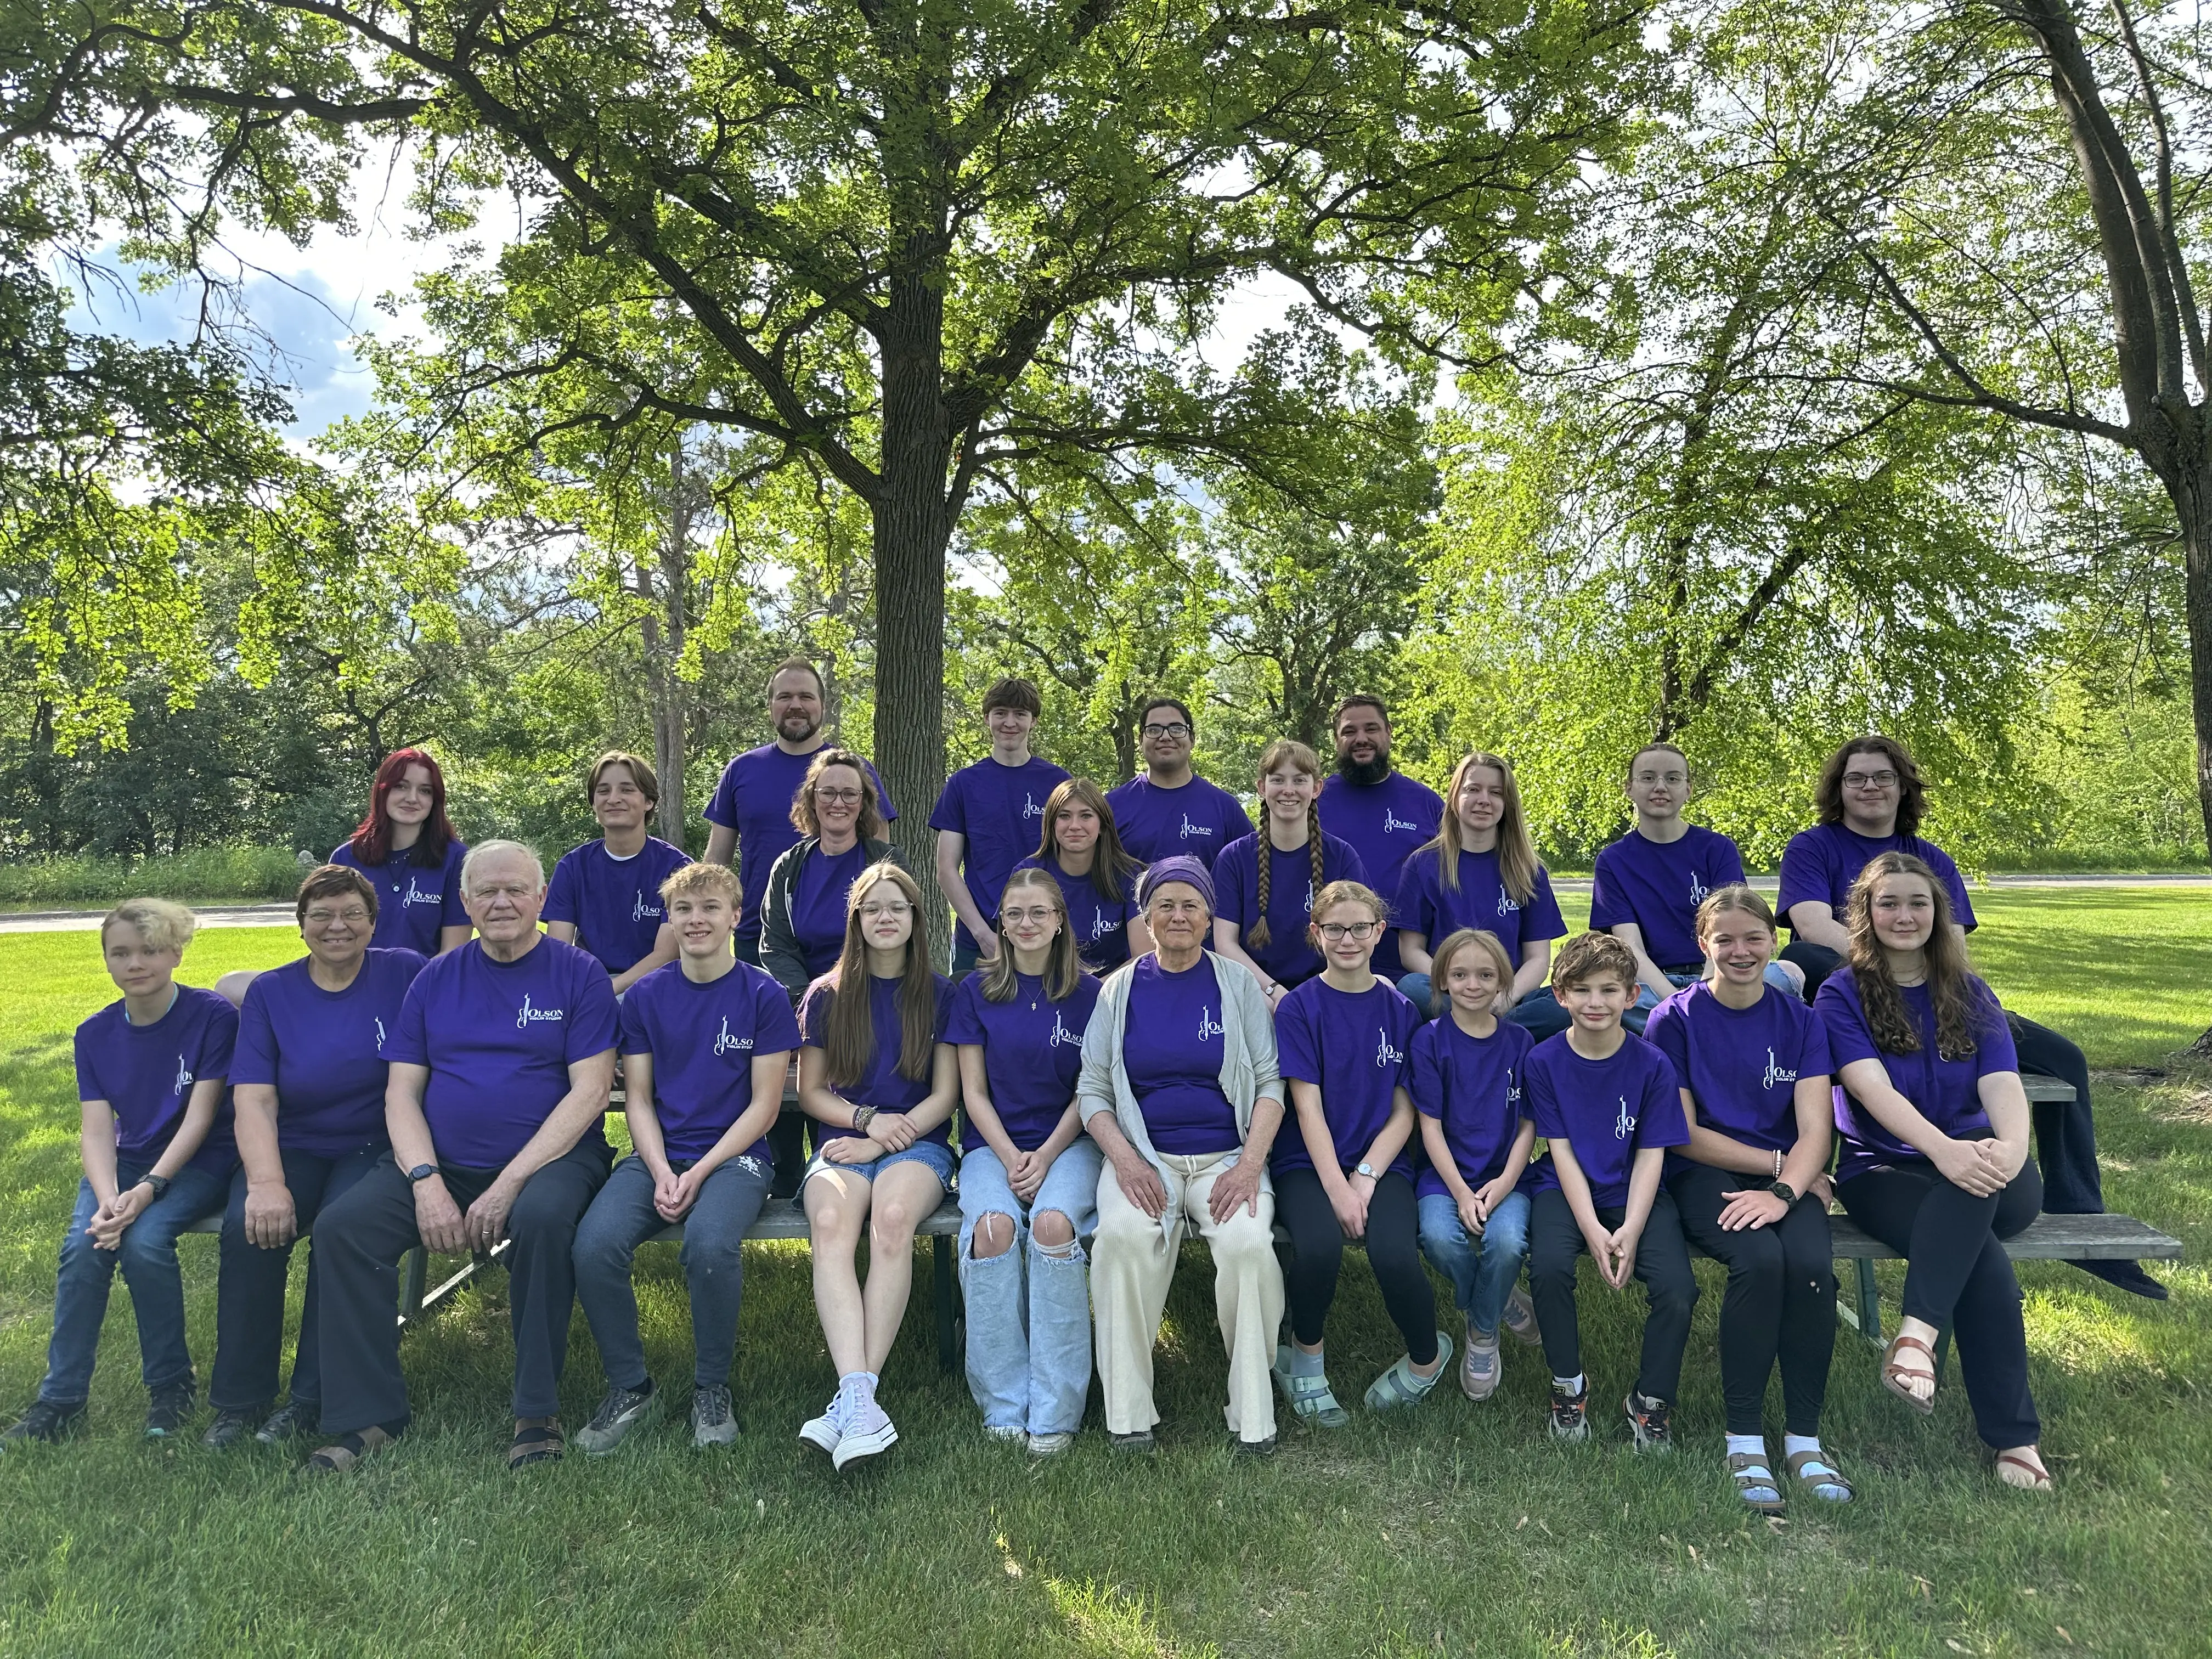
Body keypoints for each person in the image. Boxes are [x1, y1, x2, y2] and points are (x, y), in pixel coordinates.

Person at [1778, 734, 2160, 1300]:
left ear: (1903, 785)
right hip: (1854, 993)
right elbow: (1810, 925)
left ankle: (2080, 1209)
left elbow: (1951, 941)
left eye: (1882, 776)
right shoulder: (1814, 847)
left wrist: (1919, 972)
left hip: (1939, 994)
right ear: (1838, 789)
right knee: (1805, 958)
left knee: (2065, 1058)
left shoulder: (1932, 858)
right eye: (1855, 778)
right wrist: (1882, 964)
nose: (1870, 787)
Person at [306, 841, 619, 1473]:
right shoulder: (436, 978)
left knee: (543, 1220)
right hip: (440, 1162)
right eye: (486, 892)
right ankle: (366, 1414)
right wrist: (424, 1181)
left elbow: (590, 1093)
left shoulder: (578, 973)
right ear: (467, 902)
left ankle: (536, 1407)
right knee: (343, 1229)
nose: (501, 902)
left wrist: (509, 1183)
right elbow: (401, 1094)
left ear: (540, 900)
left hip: (553, 1162)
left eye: (515, 890)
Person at [1815, 853, 2054, 1491]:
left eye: (1917, 903)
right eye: (1887, 903)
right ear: (1866, 914)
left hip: (1987, 1169)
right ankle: (2015, 1440)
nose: (1904, 915)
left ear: (1938, 912)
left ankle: (1916, 1333)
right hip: (1884, 1171)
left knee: (1973, 1200)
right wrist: (1944, 1150)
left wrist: (2011, 1146)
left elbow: (2003, 1077)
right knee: (1987, 1270)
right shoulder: (1842, 992)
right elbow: (1869, 1089)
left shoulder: (1969, 990)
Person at [572, 862, 798, 1454]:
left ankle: (710, 1388)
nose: (696, 920)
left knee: (709, 1243)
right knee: (594, 1244)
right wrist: (665, 1168)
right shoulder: (646, 997)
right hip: (658, 1154)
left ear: (734, 917)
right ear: (669, 921)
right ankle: (630, 1387)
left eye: (709, 909)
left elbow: (765, 1108)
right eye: (684, 911)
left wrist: (697, 1172)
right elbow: (638, 1099)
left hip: (737, 1157)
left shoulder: (764, 994)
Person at [205, 867, 427, 1449]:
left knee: (340, 1231)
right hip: (294, 1145)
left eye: (353, 913)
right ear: (300, 925)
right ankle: (240, 1400)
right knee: (247, 1229)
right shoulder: (272, 993)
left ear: (373, 923)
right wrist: (267, 1183)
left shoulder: (405, 972)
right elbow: (253, 1098)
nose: (338, 926)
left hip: (378, 1145)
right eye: (322, 915)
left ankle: (309, 1399)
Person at [1646, 887, 1852, 1513]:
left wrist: (1786, 1191)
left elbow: (1818, 1126)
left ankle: (1803, 1439)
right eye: (1725, 940)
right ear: (1703, 945)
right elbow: (1682, 1134)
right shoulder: (1674, 1019)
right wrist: (1775, 1169)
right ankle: (1743, 1439)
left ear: (1772, 941)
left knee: (1813, 1268)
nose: (1740, 951)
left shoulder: (1801, 1020)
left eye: (1753, 938)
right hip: (1707, 1171)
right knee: (1760, 1263)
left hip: (1792, 1177)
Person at [2, 900, 236, 1447]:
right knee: (85, 1249)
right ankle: (60, 1400)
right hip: (125, 1165)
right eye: (121, 953)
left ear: (176, 953)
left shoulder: (213, 1017)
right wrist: (109, 1198)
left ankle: (172, 1387)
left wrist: (149, 1190)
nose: (136, 963)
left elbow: (201, 1118)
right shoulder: (94, 1034)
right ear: (106, 961)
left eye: (151, 950)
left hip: (196, 1161)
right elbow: (97, 1130)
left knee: (146, 1243)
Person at [1080, 856, 1288, 1456]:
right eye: (1164, 905)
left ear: (1208, 916)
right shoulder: (1117, 990)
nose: (1177, 915)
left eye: (1190, 905)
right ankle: (1129, 1413)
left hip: (1227, 1158)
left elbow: (1271, 1082)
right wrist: (1125, 1161)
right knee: (1119, 1237)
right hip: (1144, 1157)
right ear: (1145, 919)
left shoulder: (1237, 983)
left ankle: (1252, 1412)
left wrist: (1249, 1166)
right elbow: (1092, 1091)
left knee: (1249, 1245)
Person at [795, 862, 958, 1470]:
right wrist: (865, 1125)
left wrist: (886, 1139)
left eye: (898, 908)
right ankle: (859, 1396)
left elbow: (945, 1095)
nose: (885, 918)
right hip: (843, 1140)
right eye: (872, 909)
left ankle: (855, 1398)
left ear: (918, 919)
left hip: (920, 1143)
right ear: (856, 922)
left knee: (892, 1219)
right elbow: (812, 1092)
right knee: (834, 1224)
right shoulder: (827, 994)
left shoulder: (943, 995)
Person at [1270, 882, 1447, 1425]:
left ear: (1378, 933)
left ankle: (1426, 1358)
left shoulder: (1400, 1008)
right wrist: (1338, 1187)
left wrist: (1366, 1178)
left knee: (1395, 1253)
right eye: (1335, 929)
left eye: (1360, 928)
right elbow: (1308, 1110)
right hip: (1308, 1162)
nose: (1348, 939)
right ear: (1316, 934)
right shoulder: (1299, 1007)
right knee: (1319, 1248)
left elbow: (1404, 1111)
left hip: (1382, 1161)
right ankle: (1303, 1359)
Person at [946, 867, 1103, 1455]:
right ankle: (1005, 1404)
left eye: (1040, 912)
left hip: (1073, 1140)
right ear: (1001, 925)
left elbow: (1091, 1091)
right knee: (992, 1230)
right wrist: (1014, 1156)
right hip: (994, 1145)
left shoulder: (1091, 994)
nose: (1027, 923)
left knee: (1052, 1227)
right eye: (1015, 914)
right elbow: (974, 1094)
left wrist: (1047, 1155)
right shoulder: (975, 991)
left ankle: (1058, 1406)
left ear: (1060, 921)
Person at [1523, 932, 1697, 1449]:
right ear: (1560, 996)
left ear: (1632, 996)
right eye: (1581, 990)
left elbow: (1651, 1154)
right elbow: (1560, 1151)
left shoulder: (1653, 1065)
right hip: (1564, 1187)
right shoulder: (1544, 1061)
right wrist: (1594, 1231)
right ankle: (1569, 1388)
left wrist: (1632, 1228)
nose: (1595, 1002)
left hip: (1635, 1190)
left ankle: (1650, 1402)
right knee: (1550, 1268)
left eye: (1608, 990)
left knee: (1678, 1288)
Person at [1410, 928, 1543, 1403]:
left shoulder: (1521, 1041)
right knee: (1441, 1241)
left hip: (1508, 1177)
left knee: (1507, 1244)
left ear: (1503, 981)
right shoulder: (1429, 1041)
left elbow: (1529, 1125)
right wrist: (1463, 1194)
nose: (1473, 984)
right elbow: (1429, 1128)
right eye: (1460, 974)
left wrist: (1505, 1182)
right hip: (1444, 1178)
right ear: (1442, 980)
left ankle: (1482, 1333)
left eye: (1486, 975)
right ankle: (1500, 1300)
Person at [701, 657, 895, 966]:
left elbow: (880, 862)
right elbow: (717, 863)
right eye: (785, 697)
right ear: (770, 705)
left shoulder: (853, 772)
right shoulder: (741, 770)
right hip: (758, 936)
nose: (796, 705)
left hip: (846, 940)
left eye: (806, 697)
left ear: (822, 705)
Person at [1589, 742, 1798, 1029]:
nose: (1660, 787)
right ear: (1629, 787)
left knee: (1786, 975)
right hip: (1652, 984)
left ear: (1688, 789)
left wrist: (1705, 997)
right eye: (1648, 777)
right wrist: (1678, 1004)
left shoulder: (1717, 849)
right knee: (1607, 1002)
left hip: (1721, 973)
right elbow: (1631, 946)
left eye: (1673, 778)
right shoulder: (1613, 861)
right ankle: (1709, 1026)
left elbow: (1728, 930)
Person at [1393, 751, 1570, 1040]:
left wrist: (1504, 999)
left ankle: (1480, 1032)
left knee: (1565, 1002)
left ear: (1507, 804)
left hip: (1507, 999)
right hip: (1448, 993)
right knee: (1412, 987)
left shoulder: (1528, 869)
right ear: (1454, 798)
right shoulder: (1423, 864)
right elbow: (1410, 952)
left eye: (1496, 792)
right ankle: (1499, 1036)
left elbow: (1538, 959)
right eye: (1473, 789)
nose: (1484, 800)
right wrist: (1458, 988)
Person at [932, 676, 1072, 976]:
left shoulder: (1058, 782)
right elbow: (946, 870)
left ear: (1033, 721)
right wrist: (984, 935)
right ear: (987, 718)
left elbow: (1073, 860)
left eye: (1020, 714)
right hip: (979, 940)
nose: (1010, 723)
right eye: (1001, 713)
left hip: (1046, 935)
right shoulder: (963, 785)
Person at [1213, 740, 1367, 1008]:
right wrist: (1274, 992)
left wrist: (1316, 996)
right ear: (1262, 788)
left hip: (1327, 990)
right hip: (1257, 993)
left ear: (1316, 788)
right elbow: (1225, 944)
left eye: (1299, 780)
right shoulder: (1234, 858)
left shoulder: (1341, 856)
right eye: (1278, 780)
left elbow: (1356, 937)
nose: (1288, 790)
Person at [1317, 695, 1444, 981]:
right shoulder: (1314, 801)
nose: (1361, 738)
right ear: (1336, 740)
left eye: (1371, 729)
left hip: (1411, 971)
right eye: (1349, 731)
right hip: (1328, 969)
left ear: (1388, 733)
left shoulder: (1427, 804)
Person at [544, 751, 692, 992]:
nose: (613, 799)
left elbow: (666, 955)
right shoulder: (572, 867)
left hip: (657, 988)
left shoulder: (678, 870)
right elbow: (558, 950)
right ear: (593, 802)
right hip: (587, 986)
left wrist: (609, 991)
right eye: (603, 791)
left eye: (626, 789)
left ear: (649, 801)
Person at [759, 749, 899, 1002]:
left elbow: (903, 936)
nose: (838, 803)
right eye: (828, 793)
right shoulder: (788, 868)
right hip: (805, 1001)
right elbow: (776, 947)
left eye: (849, 794)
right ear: (812, 799)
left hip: (876, 998)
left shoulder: (889, 864)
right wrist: (810, 1001)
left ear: (863, 802)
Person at [329, 748, 472, 956]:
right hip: (355, 986)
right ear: (382, 791)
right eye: (401, 787)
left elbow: (452, 952)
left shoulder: (457, 860)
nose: (412, 798)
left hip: (426, 985)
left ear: (435, 801)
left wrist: (416, 987)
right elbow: (332, 941)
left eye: (425, 790)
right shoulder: (346, 858)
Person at [1011, 776, 1153, 972]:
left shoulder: (1129, 875)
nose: (1075, 826)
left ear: (1103, 825)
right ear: (1052, 824)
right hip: (1045, 986)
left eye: (1086, 816)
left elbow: (1143, 957)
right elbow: (1015, 952)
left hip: (1111, 989)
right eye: (1064, 816)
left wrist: (1096, 991)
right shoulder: (1028, 874)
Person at [1104, 696, 1254, 868]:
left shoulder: (1226, 808)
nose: (1166, 737)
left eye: (1176, 729)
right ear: (1140, 740)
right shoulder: (1113, 807)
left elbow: (1250, 874)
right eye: (1154, 730)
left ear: (1192, 739)